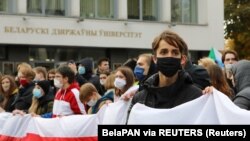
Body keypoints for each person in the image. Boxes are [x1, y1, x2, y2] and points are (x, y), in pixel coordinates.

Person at [129, 30, 202, 111]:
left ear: (183, 59)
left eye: (175, 52)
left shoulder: (196, 97)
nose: (169, 56)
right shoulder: (140, 99)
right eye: (164, 52)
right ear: (155, 59)